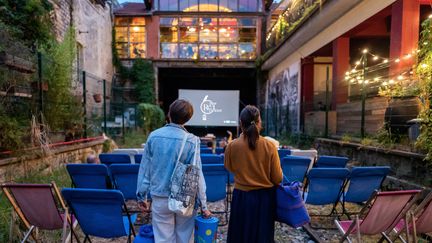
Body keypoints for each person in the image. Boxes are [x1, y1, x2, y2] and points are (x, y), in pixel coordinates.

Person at [136, 99, 211, 243]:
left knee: (163, 239)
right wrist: (204, 204)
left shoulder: (154, 136)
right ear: (188, 118)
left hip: (160, 197)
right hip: (184, 199)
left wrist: (142, 195)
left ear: (169, 114)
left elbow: (145, 169)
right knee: (184, 238)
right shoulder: (192, 140)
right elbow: (197, 175)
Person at [224, 105, 283, 243]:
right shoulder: (269, 146)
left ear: (240, 123)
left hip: (241, 198)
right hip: (264, 199)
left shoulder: (232, 146)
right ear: (259, 122)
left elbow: (229, 167)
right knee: (261, 236)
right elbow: (277, 178)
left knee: (240, 235)